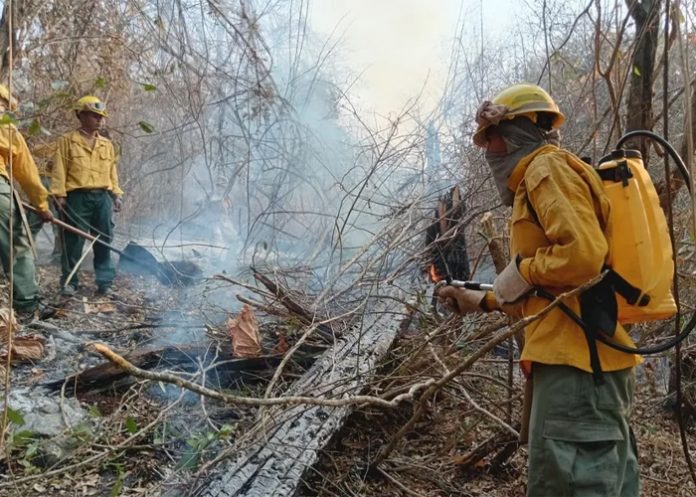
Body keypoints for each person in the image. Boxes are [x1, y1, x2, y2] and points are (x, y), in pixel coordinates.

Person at [436, 84, 641, 496]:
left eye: (490, 137)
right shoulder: (542, 178)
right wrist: (484, 299)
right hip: (578, 371)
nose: (488, 150)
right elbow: (555, 295)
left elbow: (583, 256)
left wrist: (521, 271)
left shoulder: (546, 170)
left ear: (517, 131)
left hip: (578, 377)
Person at [50, 96, 123, 296]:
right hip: (76, 198)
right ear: (80, 115)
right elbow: (59, 169)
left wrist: (116, 194)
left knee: (104, 239)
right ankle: (70, 282)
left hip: (102, 198)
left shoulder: (107, 145)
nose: (99, 120)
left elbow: (112, 172)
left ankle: (105, 283)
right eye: (94, 116)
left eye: (101, 117)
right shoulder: (66, 141)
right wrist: (59, 195)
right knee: (73, 240)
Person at [0, 84, 53, 318]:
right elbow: (28, 174)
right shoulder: (7, 130)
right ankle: (27, 305)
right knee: (17, 247)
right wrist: (42, 206)